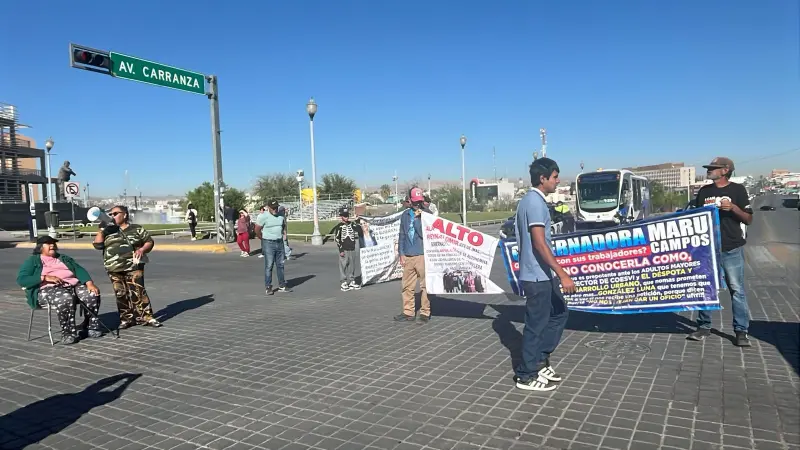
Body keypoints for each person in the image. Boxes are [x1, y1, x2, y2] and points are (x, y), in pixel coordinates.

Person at [513, 157, 575, 392]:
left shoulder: (532, 201)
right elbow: (539, 243)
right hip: (536, 275)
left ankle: (540, 360)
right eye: (555, 177)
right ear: (543, 178)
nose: (558, 181)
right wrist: (562, 274)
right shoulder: (534, 202)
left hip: (543, 274)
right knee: (536, 325)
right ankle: (526, 375)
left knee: (559, 312)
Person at [688, 157, 753, 347]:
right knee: (705, 288)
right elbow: (694, 217)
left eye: (713, 168)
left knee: (737, 290)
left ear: (725, 170)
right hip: (707, 250)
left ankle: (741, 331)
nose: (709, 170)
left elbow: (748, 219)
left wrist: (733, 208)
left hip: (731, 248)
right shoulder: (704, 191)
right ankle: (704, 327)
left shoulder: (737, 190)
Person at [16, 236, 103, 345]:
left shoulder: (63, 258)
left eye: (53, 243)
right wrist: (44, 277)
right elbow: (22, 279)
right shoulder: (32, 261)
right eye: (48, 243)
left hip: (71, 285)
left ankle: (91, 326)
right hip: (47, 290)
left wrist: (89, 283)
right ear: (40, 247)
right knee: (65, 297)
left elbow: (78, 269)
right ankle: (68, 333)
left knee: (92, 294)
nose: (52, 245)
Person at [92, 205, 161, 328]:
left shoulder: (136, 228)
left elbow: (149, 241)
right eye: (111, 214)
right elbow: (98, 245)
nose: (112, 216)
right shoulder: (108, 230)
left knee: (138, 291)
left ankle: (146, 317)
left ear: (124, 215)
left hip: (133, 266)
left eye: (115, 213)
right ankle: (126, 319)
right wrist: (101, 230)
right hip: (113, 268)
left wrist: (142, 250)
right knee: (120, 293)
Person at [394, 187, 432, 322]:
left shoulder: (427, 214)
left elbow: (425, 234)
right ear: (410, 200)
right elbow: (402, 234)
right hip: (408, 255)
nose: (417, 204)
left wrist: (417, 219)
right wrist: (401, 253)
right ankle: (408, 312)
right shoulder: (405, 215)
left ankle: (425, 312)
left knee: (425, 286)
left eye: (419, 201)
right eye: (415, 202)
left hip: (422, 255)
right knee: (406, 286)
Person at [255, 200, 291, 295]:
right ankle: (268, 287)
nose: (275, 209)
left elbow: (283, 225)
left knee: (280, 264)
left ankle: (282, 285)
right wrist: (262, 238)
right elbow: (257, 229)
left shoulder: (281, 215)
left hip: (279, 242)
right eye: (273, 208)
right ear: (268, 207)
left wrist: (284, 234)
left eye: (276, 207)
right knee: (269, 265)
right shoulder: (263, 216)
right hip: (268, 243)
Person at [332, 206, 363, 291]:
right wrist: (341, 250)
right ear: (341, 216)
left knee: (352, 265)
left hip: (352, 248)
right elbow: (337, 239)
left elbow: (359, 231)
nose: (346, 217)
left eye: (347, 215)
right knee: (343, 265)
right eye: (345, 216)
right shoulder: (339, 227)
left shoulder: (352, 224)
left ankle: (352, 280)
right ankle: (343, 281)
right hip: (344, 249)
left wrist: (357, 222)